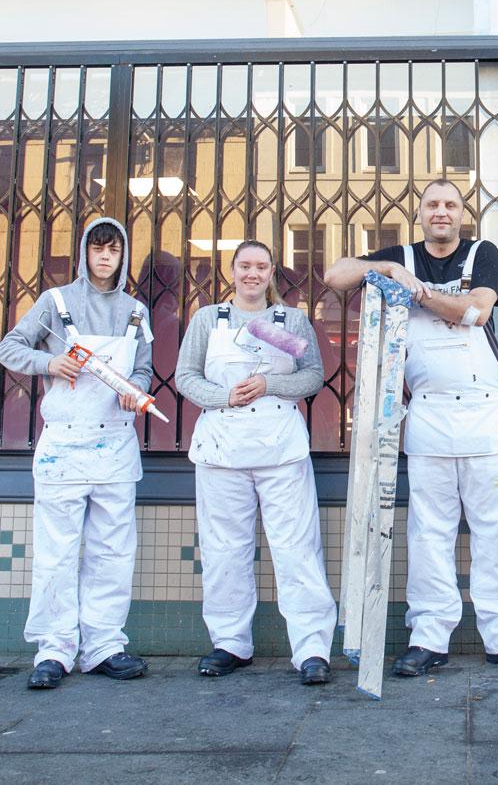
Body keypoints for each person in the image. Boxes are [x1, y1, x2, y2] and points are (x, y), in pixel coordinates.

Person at [323, 179, 498, 677]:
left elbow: (477, 310)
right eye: (432, 205)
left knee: (496, 531)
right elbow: (336, 275)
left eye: (450, 205)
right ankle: (429, 636)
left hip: (485, 416)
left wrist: (416, 294)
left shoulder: (483, 252)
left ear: (462, 214)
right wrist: (387, 268)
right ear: (419, 214)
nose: (441, 212)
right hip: (431, 417)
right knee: (429, 533)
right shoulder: (402, 255)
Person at [0, 217, 154, 691]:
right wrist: (50, 361)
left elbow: (144, 370)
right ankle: (55, 647)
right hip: (64, 442)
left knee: (112, 549)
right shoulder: (55, 301)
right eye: (97, 248)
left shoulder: (135, 310)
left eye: (114, 250)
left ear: (123, 255)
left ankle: (105, 644)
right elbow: (10, 347)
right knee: (57, 550)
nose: (105, 257)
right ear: (85, 251)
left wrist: (135, 393)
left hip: (116, 445)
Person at [177, 240, 336, 685]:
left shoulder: (288, 321)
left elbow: (312, 376)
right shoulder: (209, 320)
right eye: (244, 265)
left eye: (261, 266)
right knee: (225, 549)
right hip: (222, 447)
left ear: (271, 274)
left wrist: (269, 383)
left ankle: (311, 649)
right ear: (231, 270)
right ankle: (230, 643)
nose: (252, 274)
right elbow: (186, 377)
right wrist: (223, 396)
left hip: (281, 449)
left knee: (296, 549)